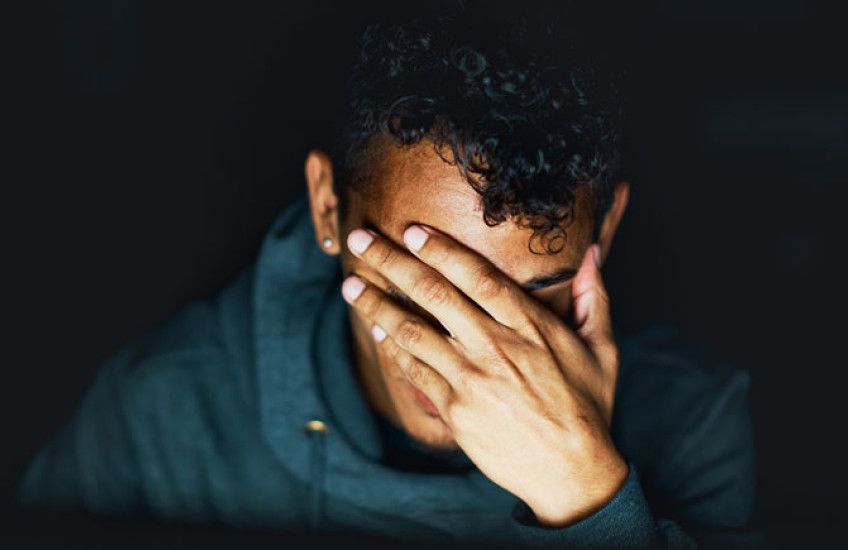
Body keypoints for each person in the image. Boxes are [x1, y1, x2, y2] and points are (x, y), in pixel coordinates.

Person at [16, 8, 763, 549]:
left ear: (605, 229)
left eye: (534, 291)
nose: (475, 351)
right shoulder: (164, 411)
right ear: (327, 207)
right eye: (421, 275)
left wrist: (592, 502)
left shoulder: (692, 422)